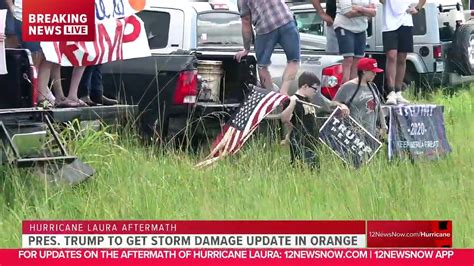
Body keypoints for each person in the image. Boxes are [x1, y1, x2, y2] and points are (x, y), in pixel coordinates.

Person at [280, 72, 349, 169]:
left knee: (315, 167)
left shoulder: (309, 100)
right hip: (300, 140)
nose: (315, 92)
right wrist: (292, 104)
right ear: (305, 86)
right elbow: (284, 118)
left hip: (312, 139)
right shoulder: (293, 100)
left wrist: (341, 105)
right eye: (314, 89)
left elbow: (330, 104)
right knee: (301, 166)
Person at [235, 0, 300, 96]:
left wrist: (247, 49)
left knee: (262, 66)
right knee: (293, 61)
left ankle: (270, 97)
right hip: (286, 20)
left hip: (265, 28)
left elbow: (246, 21)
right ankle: (283, 92)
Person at [381, 0, 426, 105]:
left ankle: (398, 91)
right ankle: (391, 91)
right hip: (389, 24)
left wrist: (417, 8)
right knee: (391, 56)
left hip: (406, 23)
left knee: (402, 57)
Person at [334, 58, 388, 138]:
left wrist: (383, 126)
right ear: (364, 71)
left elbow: (379, 107)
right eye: (373, 71)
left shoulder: (373, 86)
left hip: (371, 136)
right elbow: (332, 104)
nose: (375, 74)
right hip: (352, 135)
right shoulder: (347, 87)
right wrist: (342, 106)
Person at [334, 0, 377, 83]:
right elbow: (348, 13)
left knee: (357, 61)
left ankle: (353, 88)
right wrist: (366, 10)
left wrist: (359, 8)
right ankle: (344, 88)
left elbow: (374, 13)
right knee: (348, 59)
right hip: (344, 26)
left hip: (361, 28)